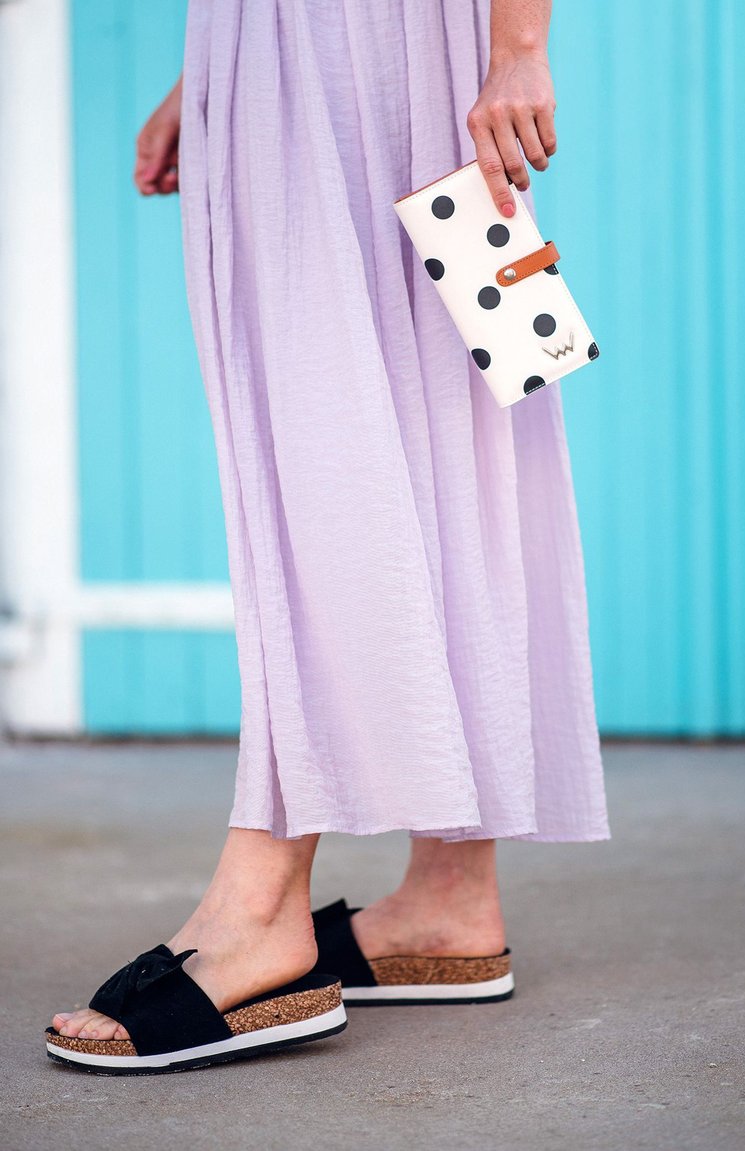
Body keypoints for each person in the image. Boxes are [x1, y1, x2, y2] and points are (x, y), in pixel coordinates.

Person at [47, 0, 609, 1073]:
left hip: (364, 48)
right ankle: (449, 894)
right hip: (319, 47)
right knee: (462, 427)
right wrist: (211, 70)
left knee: (319, 454)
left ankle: (259, 904)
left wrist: (520, 44)